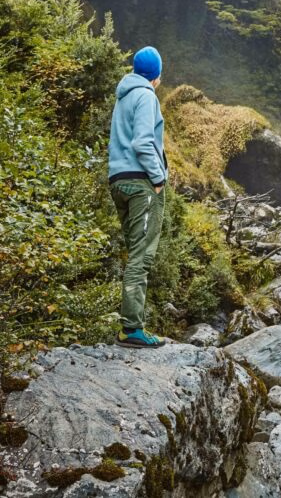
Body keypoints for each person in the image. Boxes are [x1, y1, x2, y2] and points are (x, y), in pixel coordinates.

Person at [108, 46, 169, 348]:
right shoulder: (146, 96)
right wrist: (158, 179)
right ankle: (132, 329)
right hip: (140, 183)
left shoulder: (123, 96)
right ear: (156, 74)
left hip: (118, 180)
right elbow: (143, 141)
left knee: (134, 251)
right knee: (141, 256)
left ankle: (128, 326)